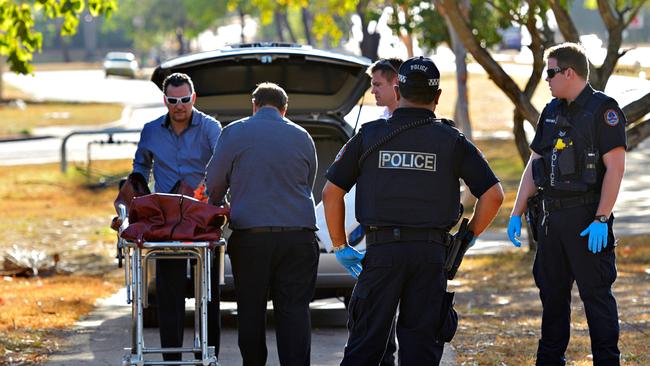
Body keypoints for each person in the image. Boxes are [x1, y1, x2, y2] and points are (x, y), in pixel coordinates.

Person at [322, 56, 504, 365]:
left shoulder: (369, 135)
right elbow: (494, 195)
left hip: (381, 255)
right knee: (421, 350)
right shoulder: (452, 141)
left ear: (398, 88)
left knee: (364, 349)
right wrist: (469, 235)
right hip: (431, 257)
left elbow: (331, 193)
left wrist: (341, 246)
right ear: (437, 97)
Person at [507, 42, 626, 365]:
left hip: (587, 219)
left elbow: (615, 169)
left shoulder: (604, 110)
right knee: (553, 298)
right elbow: (535, 164)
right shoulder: (551, 110)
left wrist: (602, 218)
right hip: (551, 222)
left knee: (596, 298)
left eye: (550, 73)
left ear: (569, 73)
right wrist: (517, 211)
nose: (546, 80)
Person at [205, 82, 319, 366]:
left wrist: (219, 204)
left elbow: (215, 183)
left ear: (253, 105)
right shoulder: (303, 135)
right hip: (299, 238)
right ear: (285, 109)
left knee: (251, 311)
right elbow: (308, 182)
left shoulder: (234, 132)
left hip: (251, 237)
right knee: (294, 310)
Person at [132, 72, 223, 362]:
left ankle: (208, 355)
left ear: (193, 98)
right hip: (167, 221)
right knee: (168, 294)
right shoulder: (150, 130)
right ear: (165, 100)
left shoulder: (210, 127)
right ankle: (171, 357)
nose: (179, 106)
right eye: (173, 100)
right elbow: (139, 168)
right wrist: (139, 198)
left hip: (201, 218)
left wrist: (209, 193)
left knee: (208, 294)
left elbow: (222, 165)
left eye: (185, 99)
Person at [366, 56, 403, 366]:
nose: (373, 90)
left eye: (377, 84)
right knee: (379, 321)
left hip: (413, 237)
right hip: (379, 236)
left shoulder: (425, 125)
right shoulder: (375, 127)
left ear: (396, 84)